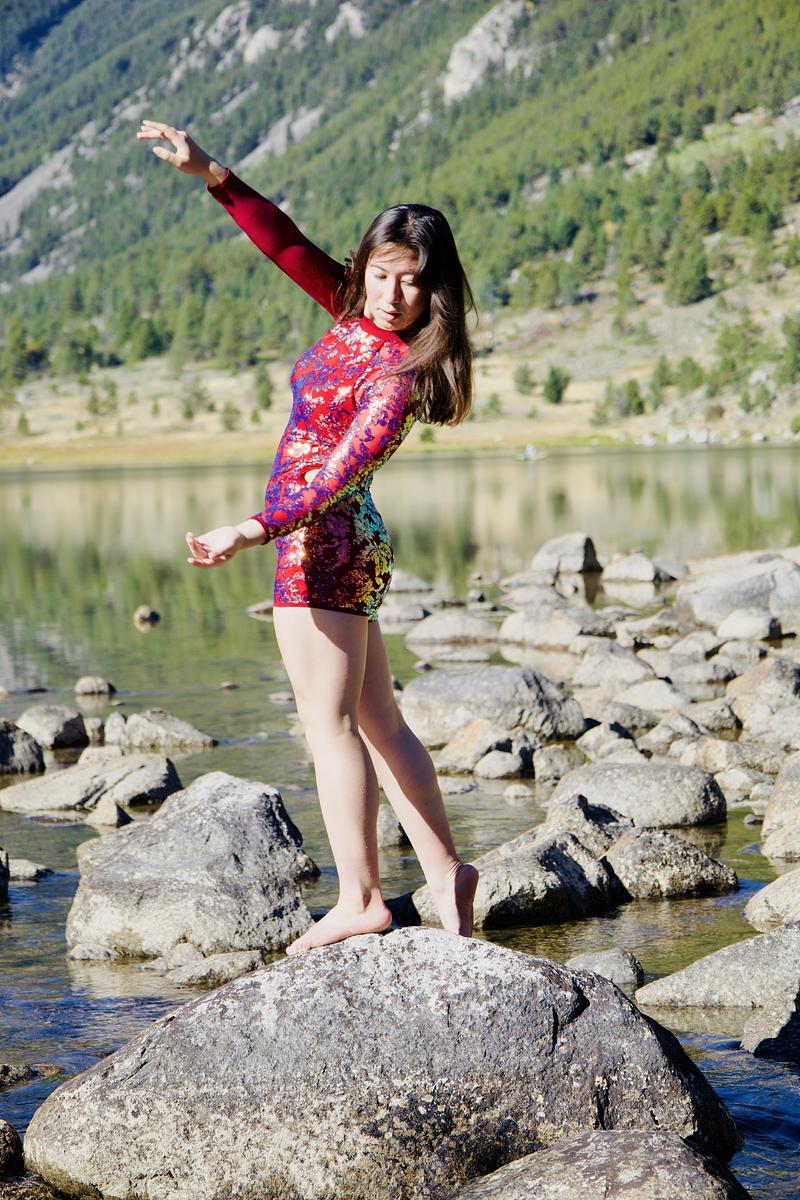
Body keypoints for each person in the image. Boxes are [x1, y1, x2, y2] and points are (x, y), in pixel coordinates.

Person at [136, 120, 479, 954]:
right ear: (364, 268)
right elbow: (283, 243)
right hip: (343, 546)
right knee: (379, 720)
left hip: (321, 547)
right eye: (381, 274)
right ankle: (445, 873)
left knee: (330, 727)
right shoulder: (349, 309)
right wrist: (211, 173)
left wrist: (251, 529)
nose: (391, 296)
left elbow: (334, 477)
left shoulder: (399, 374)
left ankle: (361, 898)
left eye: (412, 283)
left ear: (434, 292)